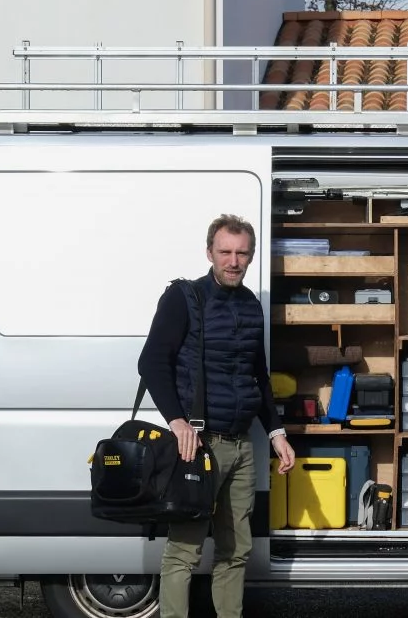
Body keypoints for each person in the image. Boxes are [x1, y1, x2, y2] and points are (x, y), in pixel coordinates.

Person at [137, 213, 295, 618]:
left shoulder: (251, 305)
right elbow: (153, 362)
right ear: (209, 252)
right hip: (199, 446)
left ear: (251, 256)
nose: (233, 261)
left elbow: (257, 376)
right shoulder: (185, 297)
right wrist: (177, 422)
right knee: (185, 551)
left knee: (237, 549)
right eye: (225, 252)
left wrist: (276, 433)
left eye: (242, 253)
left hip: (242, 445)